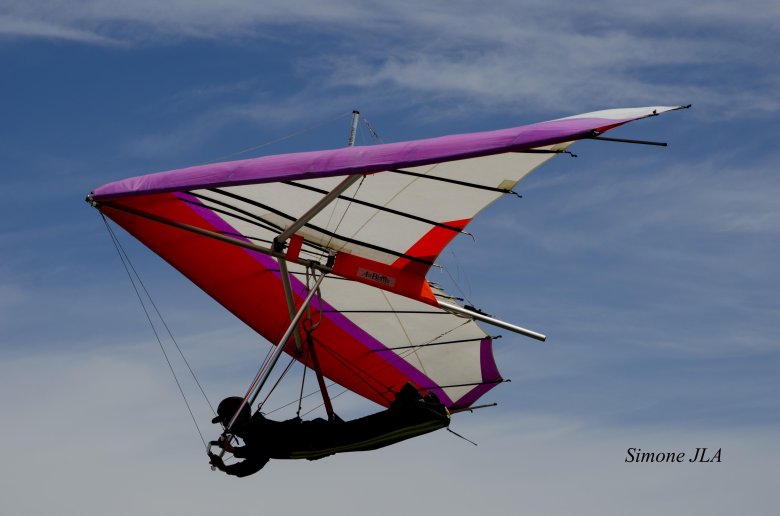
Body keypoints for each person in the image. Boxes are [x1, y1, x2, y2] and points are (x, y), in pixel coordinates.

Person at [207, 383, 449, 477]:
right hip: (316, 435)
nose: (225, 426)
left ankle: (426, 413)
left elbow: (258, 457)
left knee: (371, 438)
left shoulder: (252, 430)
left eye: (225, 421)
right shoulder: (254, 427)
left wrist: (230, 460)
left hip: (316, 440)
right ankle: (409, 402)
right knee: (366, 430)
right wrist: (232, 456)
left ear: (233, 417)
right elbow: (258, 453)